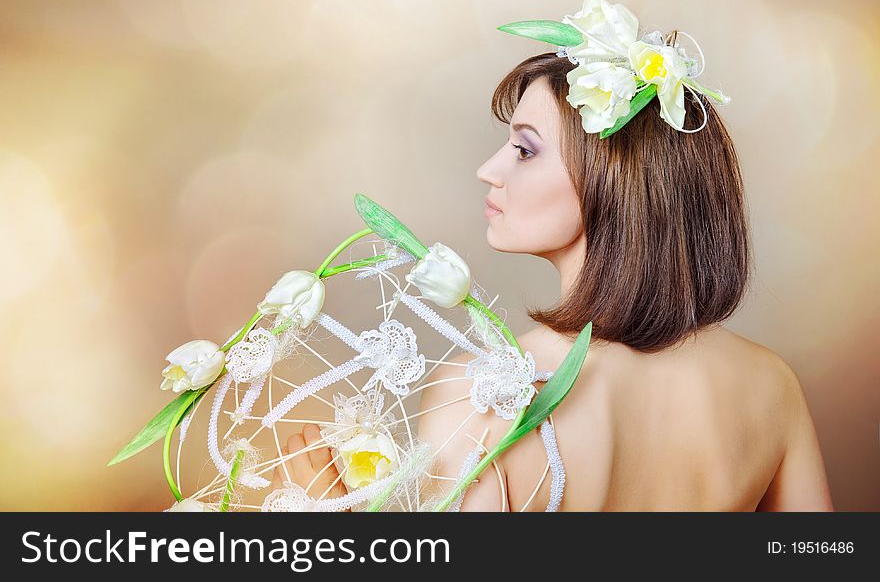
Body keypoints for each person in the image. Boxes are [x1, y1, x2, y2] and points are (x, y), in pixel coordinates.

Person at [274, 49, 834, 512]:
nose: (489, 169)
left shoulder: (489, 393)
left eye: (524, 150)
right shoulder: (772, 385)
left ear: (612, 182)